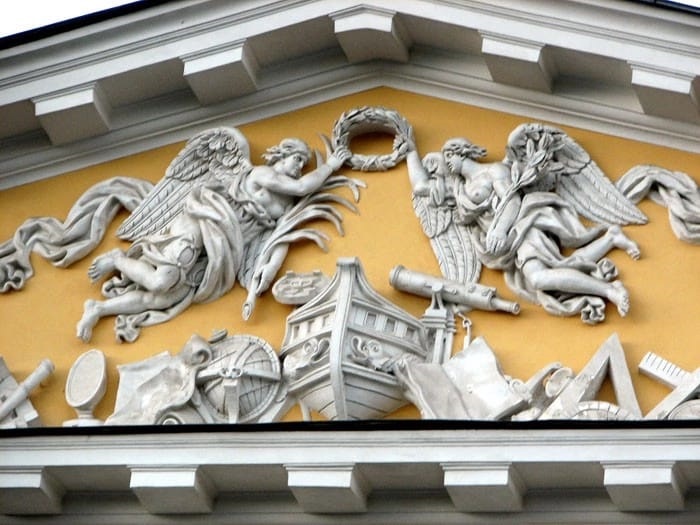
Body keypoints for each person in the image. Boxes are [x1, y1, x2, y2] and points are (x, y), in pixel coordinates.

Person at [77, 139, 350, 342]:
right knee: (161, 280)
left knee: (163, 298)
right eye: (297, 159)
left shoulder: (287, 206)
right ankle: (117, 259)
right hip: (205, 222)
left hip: (221, 250)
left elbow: (278, 239)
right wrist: (332, 165)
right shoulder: (263, 174)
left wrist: (264, 276)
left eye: (303, 163)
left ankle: (99, 309)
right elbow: (303, 187)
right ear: (282, 155)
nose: (300, 167)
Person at [407, 137, 640, 324]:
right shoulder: (461, 189)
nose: (446, 161)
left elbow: (513, 200)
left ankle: (610, 290)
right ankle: (611, 238)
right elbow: (421, 187)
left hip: (522, 226)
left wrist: (499, 230)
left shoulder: (493, 171)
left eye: (450, 154)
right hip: (509, 244)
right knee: (556, 268)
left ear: (462, 152)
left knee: (539, 278)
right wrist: (410, 149)